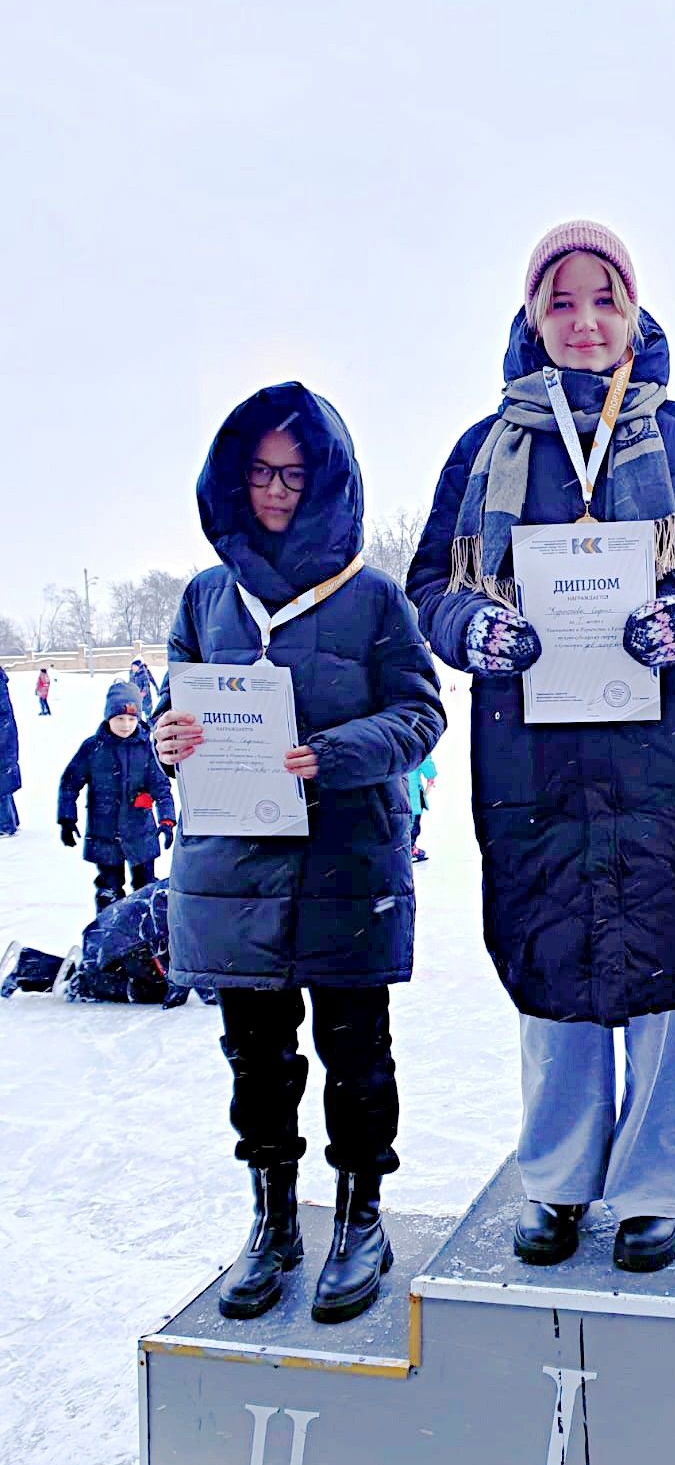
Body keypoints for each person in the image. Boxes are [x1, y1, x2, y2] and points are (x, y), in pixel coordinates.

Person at [407, 220, 675, 1273]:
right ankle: (561, 1179)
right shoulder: (482, 451)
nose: (583, 320)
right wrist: (472, 628)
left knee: (665, 976)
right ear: (533, 316)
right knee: (555, 966)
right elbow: (428, 586)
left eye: (602, 299)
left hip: (668, 757)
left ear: (634, 313)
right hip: (537, 761)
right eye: (560, 301)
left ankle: (655, 1184)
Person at [153, 382, 445, 1325]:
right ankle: (273, 1221)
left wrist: (334, 755)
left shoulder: (371, 599)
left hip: (345, 864)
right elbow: (179, 705)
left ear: (328, 479)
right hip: (233, 870)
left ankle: (363, 1216)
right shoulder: (206, 599)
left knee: (356, 1053)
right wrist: (170, 739)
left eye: (294, 473)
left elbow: (421, 714)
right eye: (260, 474)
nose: (277, 492)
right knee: (257, 1060)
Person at [0, 882, 217, 1008]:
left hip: (120, 932)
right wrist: (201, 992)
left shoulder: (195, 884)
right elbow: (179, 949)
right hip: (121, 939)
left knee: (150, 982)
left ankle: (35, 966)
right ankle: (44, 972)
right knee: (149, 991)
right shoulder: (192, 899)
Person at [58, 680, 174, 912]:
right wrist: (67, 819)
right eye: (119, 718)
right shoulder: (93, 748)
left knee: (145, 889)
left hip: (140, 831)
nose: (125, 724)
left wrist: (167, 820)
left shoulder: (146, 748)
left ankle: (144, 937)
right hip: (104, 833)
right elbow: (70, 784)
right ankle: (108, 935)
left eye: (131, 719)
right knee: (108, 890)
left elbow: (161, 787)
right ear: (108, 717)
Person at [0, 665, 19, 836]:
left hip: (3, 738)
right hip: (5, 737)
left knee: (1, 782)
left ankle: (5, 826)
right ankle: (12, 820)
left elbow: (3, 713)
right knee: (3, 781)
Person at [407, 754, 436, 862]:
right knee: (413, 823)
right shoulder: (417, 741)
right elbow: (425, 759)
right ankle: (410, 848)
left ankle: (403, 849)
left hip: (395, 792)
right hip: (412, 793)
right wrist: (431, 776)